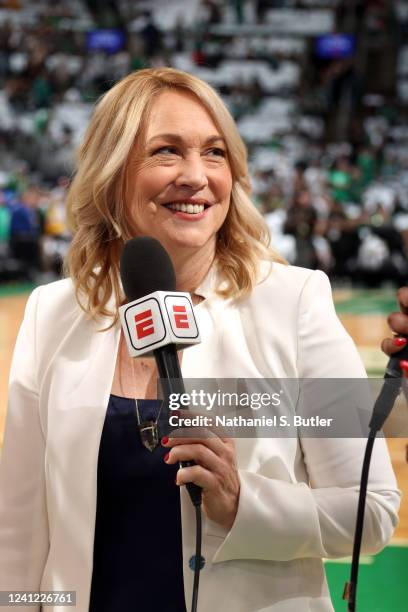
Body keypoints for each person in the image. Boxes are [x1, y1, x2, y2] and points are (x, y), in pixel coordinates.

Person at [0, 67, 400, 612]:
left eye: (214, 153)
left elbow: (371, 512)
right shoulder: (53, 312)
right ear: (112, 172)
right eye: (166, 152)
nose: (196, 175)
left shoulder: (296, 303)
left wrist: (243, 504)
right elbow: (20, 533)